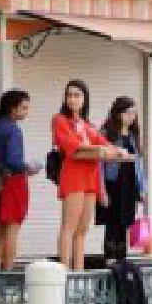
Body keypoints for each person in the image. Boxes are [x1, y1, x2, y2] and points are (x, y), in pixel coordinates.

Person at [52, 78, 119, 270]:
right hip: (73, 177)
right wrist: (98, 148)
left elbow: (102, 142)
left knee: (82, 230)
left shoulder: (87, 124)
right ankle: (64, 271)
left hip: (90, 177)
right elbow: (71, 145)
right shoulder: (60, 120)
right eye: (69, 95)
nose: (72, 99)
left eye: (77, 95)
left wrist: (115, 150)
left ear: (85, 99)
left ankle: (79, 272)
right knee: (69, 227)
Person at [0, 89, 32, 269]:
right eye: (24, 108)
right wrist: (29, 167)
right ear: (13, 108)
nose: (27, 112)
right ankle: (8, 270)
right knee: (12, 227)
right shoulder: (13, 130)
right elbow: (14, 161)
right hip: (13, 182)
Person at [97, 95, 149, 263]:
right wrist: (101, 190)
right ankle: (110, 263)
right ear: (118, 113)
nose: (132, 116)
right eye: (128, 113)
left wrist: (142, 189)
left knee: (124, 225)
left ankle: (122, 263)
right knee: (112, 225)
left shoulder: (133, 135)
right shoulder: (107, 133)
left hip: (129, 185)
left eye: (134, 113)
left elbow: (138, 163)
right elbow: (99, 165)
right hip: (112, 185)